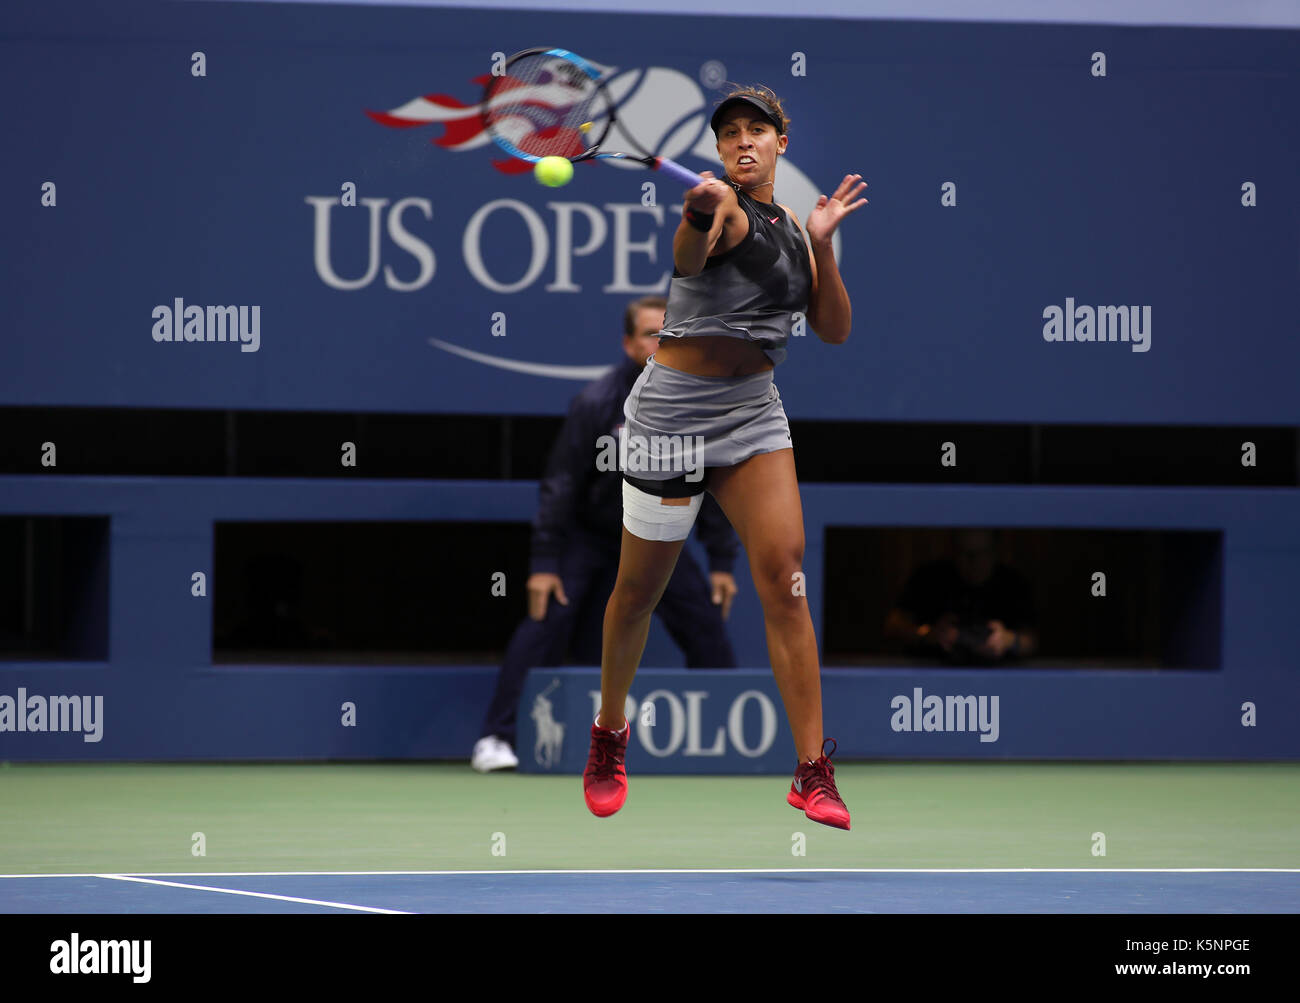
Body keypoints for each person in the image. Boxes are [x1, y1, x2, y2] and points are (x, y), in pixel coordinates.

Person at [582, 85, 867, 830]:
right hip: (672, 412)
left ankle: (811, 770)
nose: (743, 141)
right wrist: (697, 214)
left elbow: (833, 329)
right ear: (717, 151)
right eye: (730, 132)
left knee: (786, 578)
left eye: (757, 130)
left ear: (782, 141)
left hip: (752, 413)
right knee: (639, 590)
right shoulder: (722, 207)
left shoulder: (797, 233)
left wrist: (824, 244)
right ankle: (610, 733)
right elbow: (687, 257)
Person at [471, 296, 741, 772]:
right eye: (649, 334)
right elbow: (561, 484)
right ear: (628, 342)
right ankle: (498, 737)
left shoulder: (695, 404)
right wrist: (544, 564)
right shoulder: (595, 402)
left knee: (707, 628)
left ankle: (729, 742)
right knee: (545, 621)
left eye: (669, 333)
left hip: (660, 534)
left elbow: (710, 481)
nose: (660, 343)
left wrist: (721, 562)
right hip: (592, 539)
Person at [883, 529, 1038, 664]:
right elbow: (894, 626)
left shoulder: (1011, 584)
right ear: (953, 551)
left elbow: (1032, 640)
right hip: (930, 682)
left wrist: (1008, 640)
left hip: (999, 681)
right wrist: (928, 634)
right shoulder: (931, 578)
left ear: (995, 551)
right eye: (964, 552)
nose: (973, 562)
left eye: (981, 553)